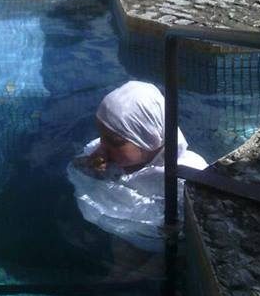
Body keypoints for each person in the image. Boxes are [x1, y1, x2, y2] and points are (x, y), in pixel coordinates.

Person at [67, 80, 207, 252]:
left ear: (150, 139)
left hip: (153, 237)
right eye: (101, 135)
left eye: (114, 142)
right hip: (121, 225)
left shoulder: (185, 173)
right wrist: (90, 166)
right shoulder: (105, 151)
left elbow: (197, 222)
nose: (102, 145)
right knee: (122, 248)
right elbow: (76, 168)